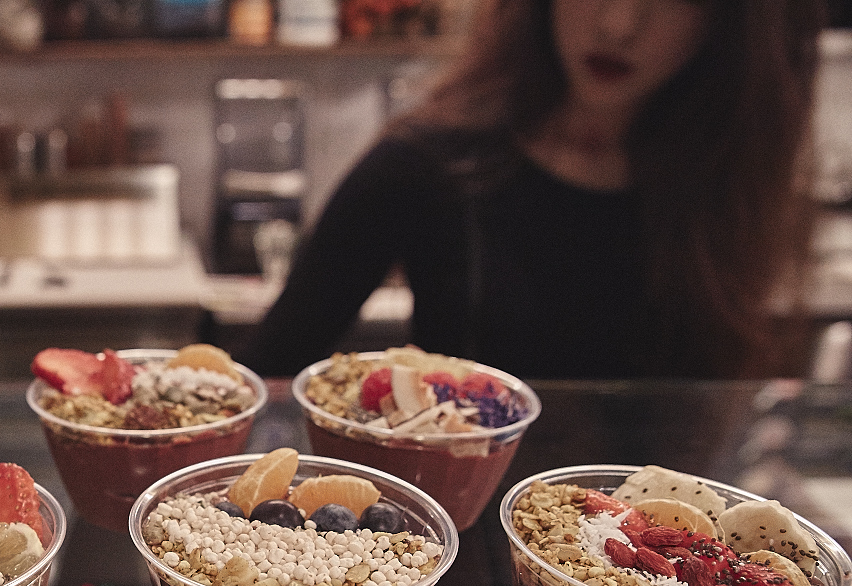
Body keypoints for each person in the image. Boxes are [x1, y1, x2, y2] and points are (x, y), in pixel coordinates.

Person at [239, 0, 825, 380]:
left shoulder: (728, 184)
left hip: (652, 550)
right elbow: (269, 373)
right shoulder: (427, 163)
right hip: (465, 540)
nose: (619, 23)